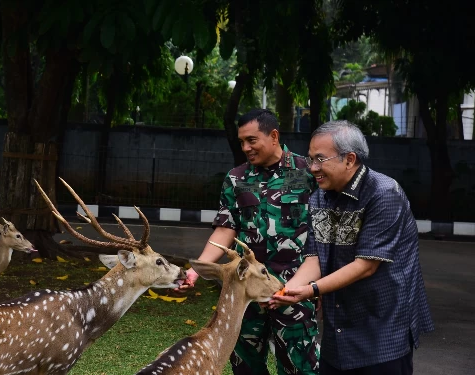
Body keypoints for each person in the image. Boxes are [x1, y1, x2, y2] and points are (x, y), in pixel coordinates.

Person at [270, 120, 434, 374]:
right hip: (339, 333)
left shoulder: (384, 193)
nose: (313, 168)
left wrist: (310, 290)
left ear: (349, 159)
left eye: (320, 159)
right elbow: (315, 257)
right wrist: (285, 291)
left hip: (383, 332)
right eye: (311, 159)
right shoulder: (319, 198)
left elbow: (366, 266)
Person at [179, 108, 320, 374]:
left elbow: (322, 235)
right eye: (242, 141)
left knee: (301, 367)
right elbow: (225, 229)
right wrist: (195, 270)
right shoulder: (236, 178)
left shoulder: (307, 173)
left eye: (251, 140)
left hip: (292, 290)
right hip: (244, 294)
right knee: (245, 367)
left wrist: (318, 286)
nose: (245, 147)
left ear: (274, 136)